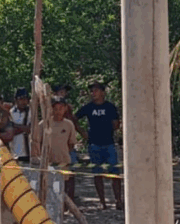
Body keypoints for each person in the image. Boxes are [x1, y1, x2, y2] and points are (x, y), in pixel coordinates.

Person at [75, 82, 122, 210]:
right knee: (97, 174)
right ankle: (103, 202)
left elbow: (116, 123)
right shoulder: (88, 107)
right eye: (92, 91)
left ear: (102, 92)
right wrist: (82, 132)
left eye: (96, 90)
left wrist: (113, 126)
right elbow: (74, 118)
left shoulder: (110, 107)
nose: (93, 93)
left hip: (109, 144)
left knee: (115, 173)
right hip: (94, 145)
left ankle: (119, 200)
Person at [31, 97, 78, 200]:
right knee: (50, 188)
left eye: (61, 108)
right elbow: (37, 143)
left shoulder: (69, 124)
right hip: (48, 162)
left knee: (64, 187)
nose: (58, 111)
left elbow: (71, 143)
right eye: (55, 108)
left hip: (63, 161)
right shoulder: (44, 124)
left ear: (65, 108)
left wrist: (63, 154)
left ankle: (64, 209)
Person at [8, 88, 32, 161]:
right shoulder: (11, 113)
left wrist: (16, 125)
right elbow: (10, 131)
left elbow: (31, 129)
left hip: (30, 152)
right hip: (15, 151)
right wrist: (25, 128)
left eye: (25, 99)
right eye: (21, 99)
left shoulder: (31, 112)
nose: (24, 101)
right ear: (16, 100)